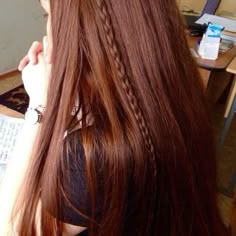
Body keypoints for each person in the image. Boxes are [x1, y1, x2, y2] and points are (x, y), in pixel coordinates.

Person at [0, 0, 229, 235]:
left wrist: (39, 107)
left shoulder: (97, 156)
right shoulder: (174, 90)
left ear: (89, 31)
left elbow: (11, 227)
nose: (48, 36)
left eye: (51, 18)